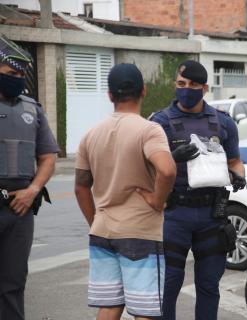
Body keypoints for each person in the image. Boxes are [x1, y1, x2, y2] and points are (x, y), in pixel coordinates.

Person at [74, 63, 176, 320]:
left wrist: (95, 220)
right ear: (144, 90)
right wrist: (156, 200)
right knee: (145, 311)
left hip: (103, 231)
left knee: (110, 306)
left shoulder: (90, 135)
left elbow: (81, 186)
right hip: (139, 232)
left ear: (109, 95)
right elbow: (167, 171)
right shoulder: (149, 130)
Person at [150, 60, 246, 320]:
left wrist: (238, 175)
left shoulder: (223, 123)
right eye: (181, 84)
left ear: (204, 87)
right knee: (167, 286)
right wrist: (173, 157)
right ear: (175, 85)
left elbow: (235, 160)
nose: (186, 89)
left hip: (211, 215)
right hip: (174, 215)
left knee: (209, 286)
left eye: (193, 85)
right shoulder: (159, 122)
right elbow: (146, 169)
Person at [0, 35, 59, 320]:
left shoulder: (31, 109)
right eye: (12, 74)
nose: (18, 79)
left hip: (20, 208)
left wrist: (33, 190)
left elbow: (48, 157)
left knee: (13, 283)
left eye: (22, 74)